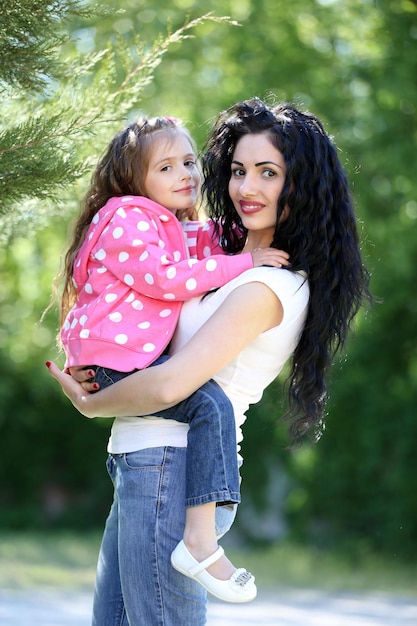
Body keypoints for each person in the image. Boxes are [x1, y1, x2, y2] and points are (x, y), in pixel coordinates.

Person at [47, 97, 372, 626]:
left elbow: (168, 385)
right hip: (142, 464)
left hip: (171, 472)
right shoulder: (221, 261)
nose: (247, 188)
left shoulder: (267, 284)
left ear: (302, 184)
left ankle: (200, 545)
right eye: (239, 170)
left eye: (269, 173)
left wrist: (89, 402)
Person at [54, 114, 290, 605]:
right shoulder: (128, 217)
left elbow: (211, 240)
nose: (186, 174)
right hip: (118, 366)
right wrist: (246, 261)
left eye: (189, 161)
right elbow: (168, 278)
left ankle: (203, 537)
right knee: (209, 406)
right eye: (166, 167)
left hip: (134, 401)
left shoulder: (165, 222)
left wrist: (254, 231)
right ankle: (202, 543)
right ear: (132, 178)